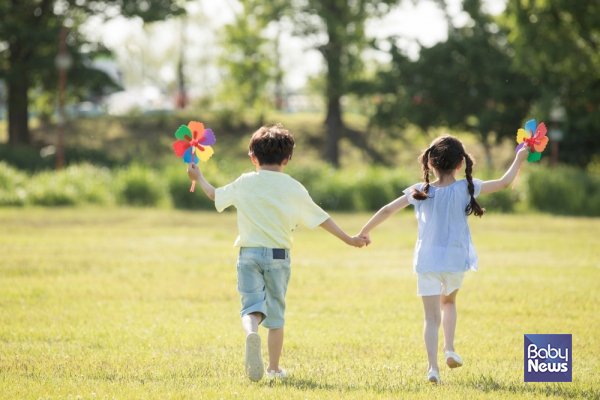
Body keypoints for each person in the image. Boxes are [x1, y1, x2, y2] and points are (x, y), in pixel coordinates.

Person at [187, 123, 368, 382]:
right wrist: (349, 239)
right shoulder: (294, 187)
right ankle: (272, 369)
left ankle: (251, 332)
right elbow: (321, 218)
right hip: (278, 257)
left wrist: (199, 178)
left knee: (251, 306)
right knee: (276, 314)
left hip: (248, 254)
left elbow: (215, 196)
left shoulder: (245, 182)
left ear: (252, 157)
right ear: (288, 159)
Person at [358, 135, 530, 384]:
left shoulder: (421, 191)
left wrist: (364, 231)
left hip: (427, 261)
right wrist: (519, 158)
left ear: (430, 164)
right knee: (448, 303)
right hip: (455, 260)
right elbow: (504, 183)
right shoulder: (466, 187)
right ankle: (449, 349)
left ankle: (432, 368)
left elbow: (387, 209)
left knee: (430, 318)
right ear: (461, 163)